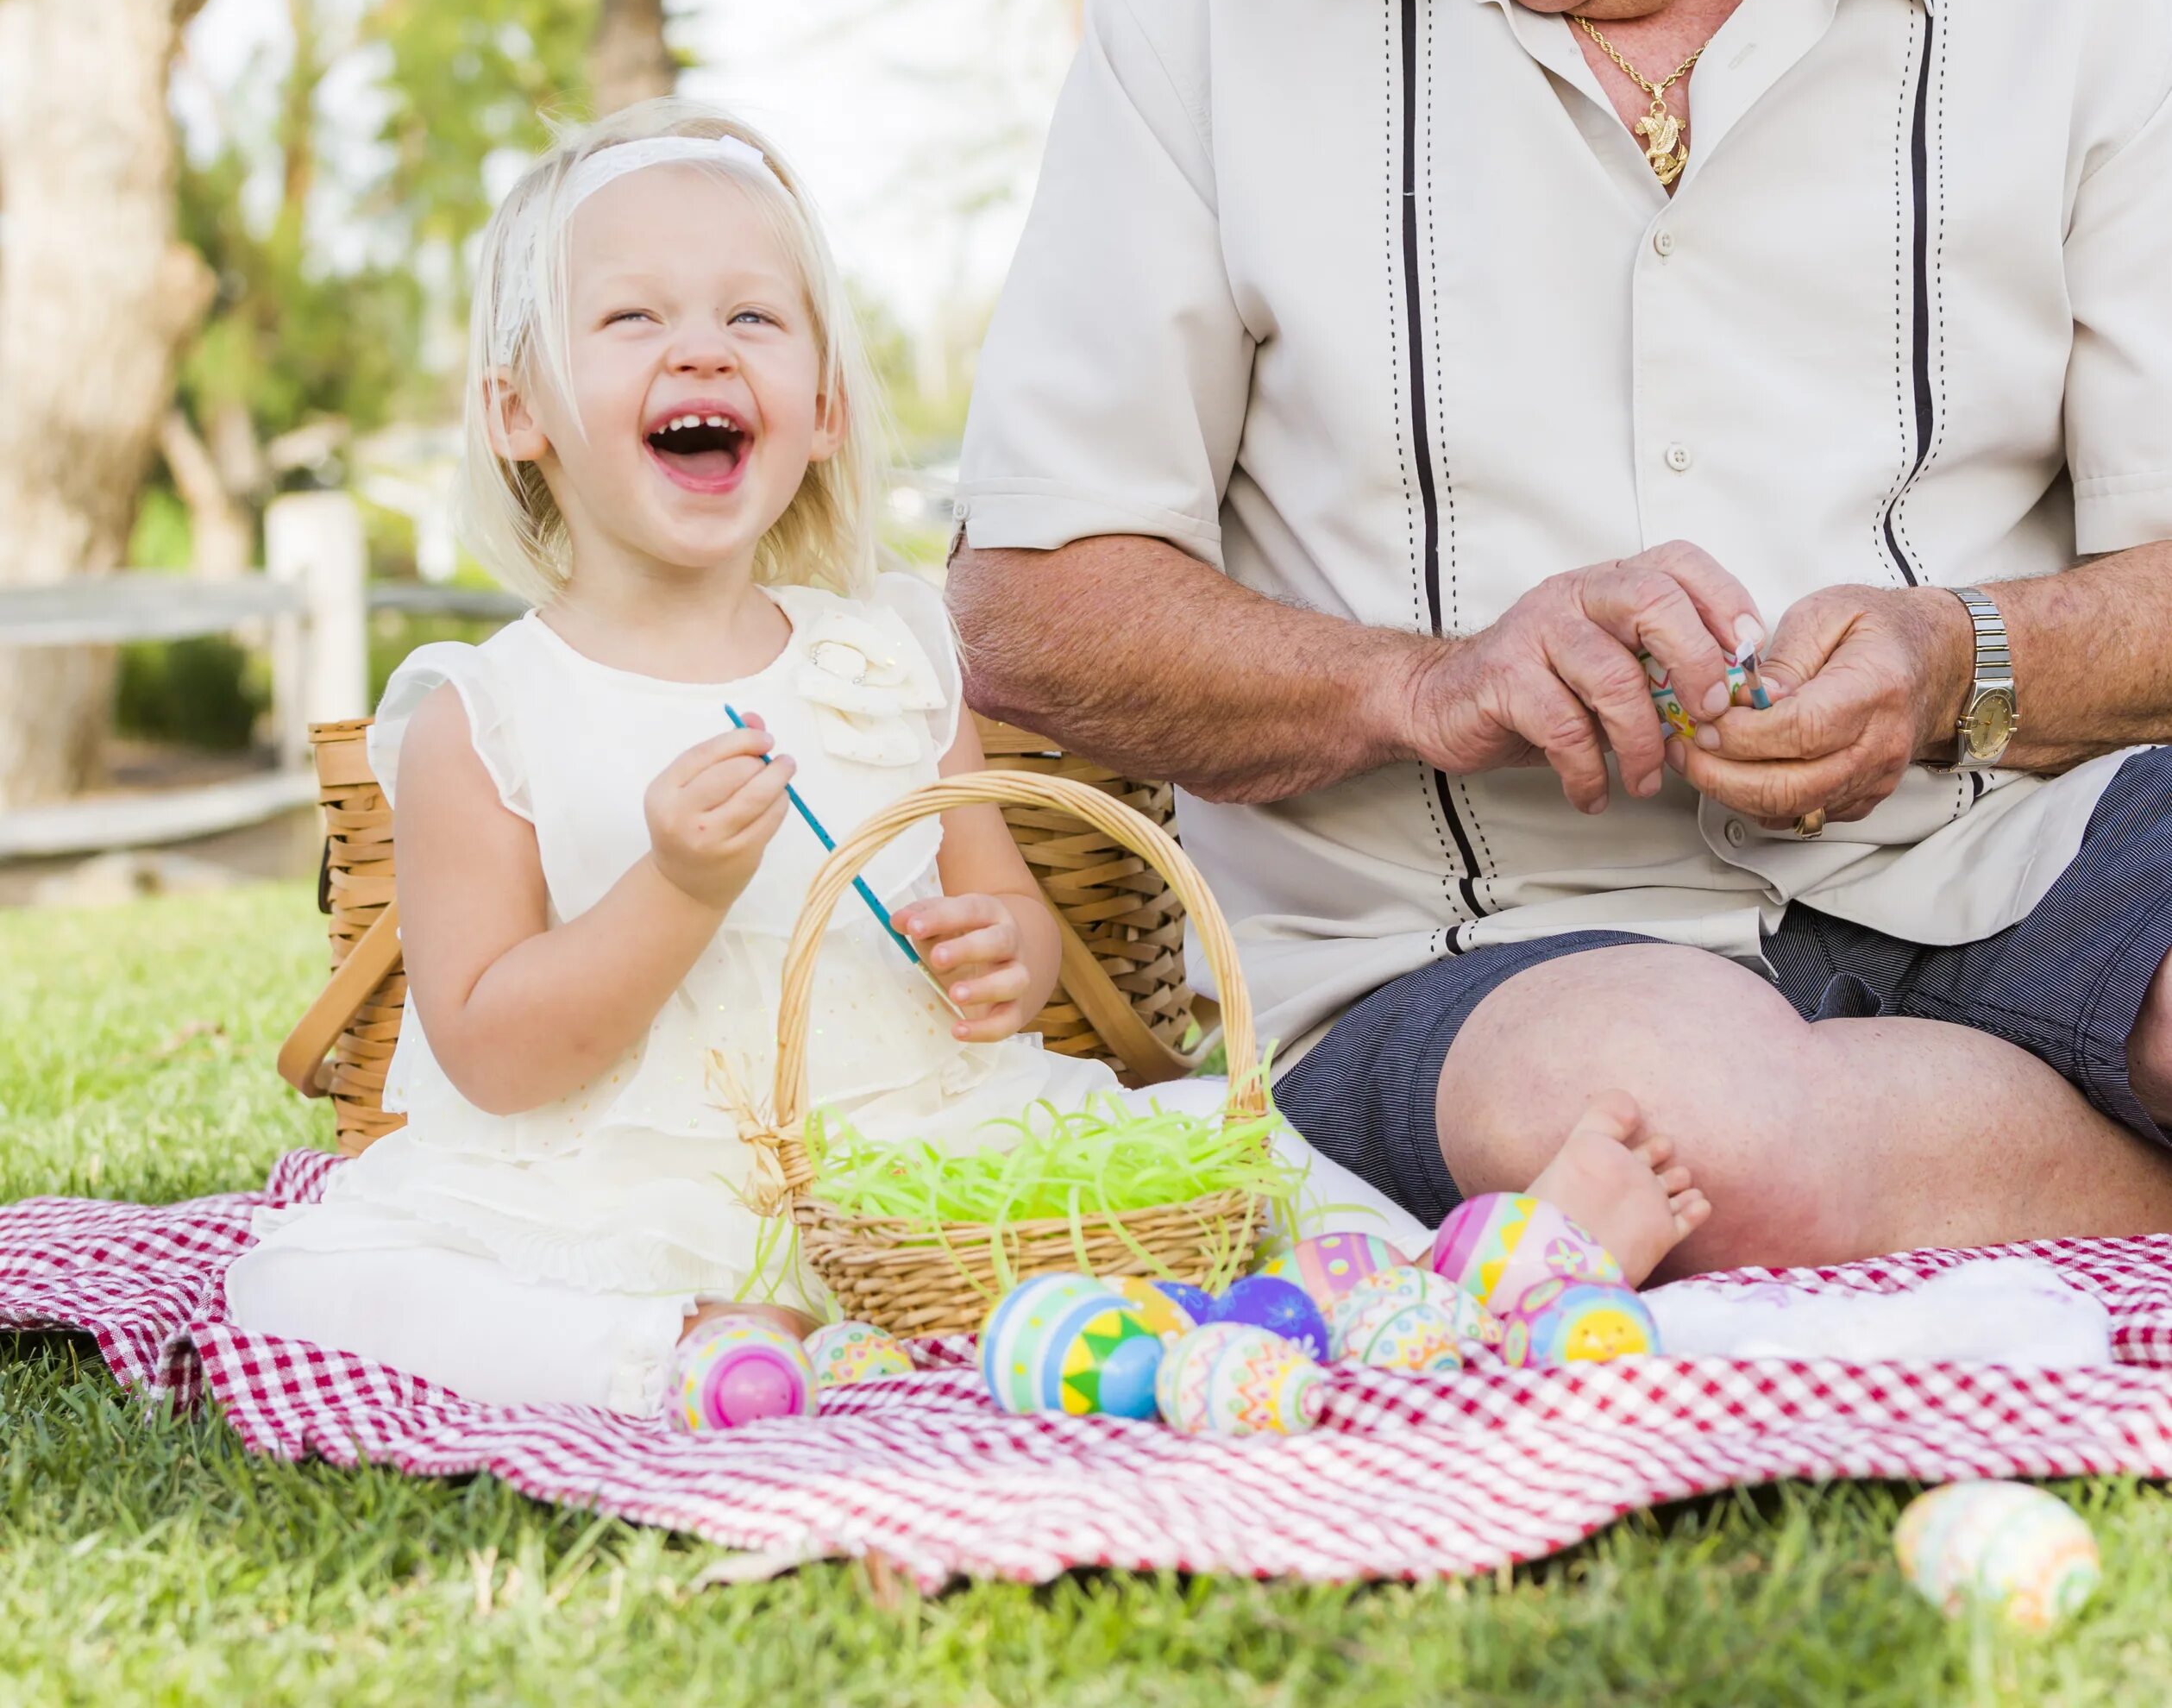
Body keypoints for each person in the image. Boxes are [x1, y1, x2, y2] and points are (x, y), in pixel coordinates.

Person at [949, 0, 2172, 1279]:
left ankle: (1936, 1202)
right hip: (1468, 960)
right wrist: (1426, 684)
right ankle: (2024, 1207)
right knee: (1676, 1144)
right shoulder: (1207, 8)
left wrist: (1963, 659)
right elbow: (1026, 617)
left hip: (2003, 851)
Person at [227, 101, 1699, 1412]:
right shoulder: (485, 715)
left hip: (927, 1157)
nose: (699, 348)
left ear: (821, 414)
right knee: (300, 1279)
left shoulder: (889, 652)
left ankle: (1475, 1278)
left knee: (1229, 1154)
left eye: (754, 319)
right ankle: (673, 1351)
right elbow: (486, 1052)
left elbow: (1019, 937)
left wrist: (996, 953)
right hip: (635, 1191)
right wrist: (672, 890)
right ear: (518, 413)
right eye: (629, 322)